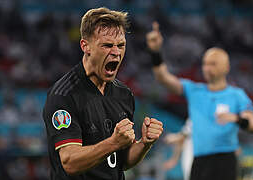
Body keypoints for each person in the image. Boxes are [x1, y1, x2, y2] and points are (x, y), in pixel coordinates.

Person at [42, 8, 163, 180]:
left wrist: (144, 143)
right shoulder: (64, 95)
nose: (116, 52)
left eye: (121, 45)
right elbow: (70, 162)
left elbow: (121, 162)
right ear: (85, 46)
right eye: (107, 45)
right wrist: (113, 142)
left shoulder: (123, 94)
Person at [146, 22, 253, 180]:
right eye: (205, 64)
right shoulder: (194, 90)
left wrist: (237, 118)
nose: (207, 68)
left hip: (225, 159)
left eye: (213, 64)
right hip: (199, 160)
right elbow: (163, 78)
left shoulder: (236, 95)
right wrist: (155, 52)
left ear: (226, 67)